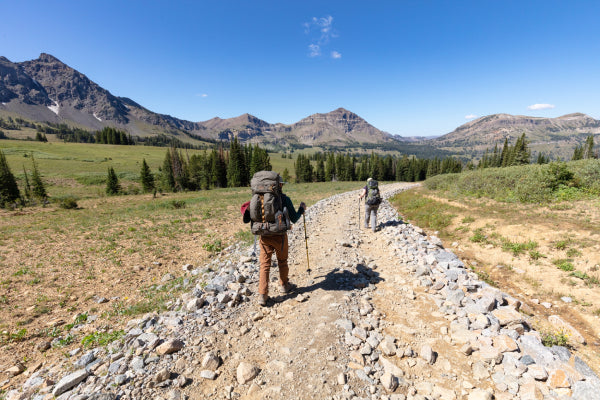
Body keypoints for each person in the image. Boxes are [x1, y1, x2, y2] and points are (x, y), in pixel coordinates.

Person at [242, 174, 306, 306]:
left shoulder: (257, 198)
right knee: (282, 261)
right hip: (280, 236)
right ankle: (284, 285)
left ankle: (262, 295)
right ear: (279, 185)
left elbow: (247, 218)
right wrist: (301, 209)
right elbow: (294, 218)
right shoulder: (284, 199)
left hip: (264, 237)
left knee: (265, 265)